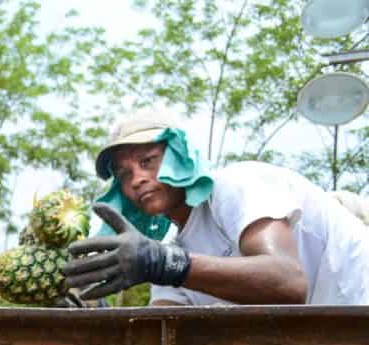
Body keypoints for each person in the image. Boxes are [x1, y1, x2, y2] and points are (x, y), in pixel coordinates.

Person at [63, 109, 369, 305]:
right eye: (124, 173)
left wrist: (166, 263)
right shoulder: (171, 250)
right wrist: (94, 317)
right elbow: (159, 336)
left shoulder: (236, 186)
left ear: (179, 156)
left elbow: (288, 281)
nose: (137, 180)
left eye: (147, 161)